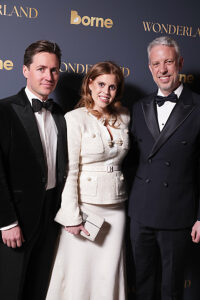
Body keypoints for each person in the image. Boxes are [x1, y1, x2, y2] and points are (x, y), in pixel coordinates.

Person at [46, 61, 130, 300]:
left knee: (109, 271)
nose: (106, 91)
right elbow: (70, 172)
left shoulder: (124, 116)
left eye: (112, 87)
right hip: (85, 208)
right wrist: (71, 217)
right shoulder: (74, 119)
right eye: (101, 84)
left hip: (116, 206)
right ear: (90, 84)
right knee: (79, 273)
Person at [128, 35, 200, 300]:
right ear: (149, 67)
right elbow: (130, 159)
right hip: (140, 211)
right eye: (156, 64)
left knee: (171, 287)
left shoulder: (198, 107)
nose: (163, 69)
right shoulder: (139, 107)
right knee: (142, 283)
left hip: (178, 213)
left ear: (179, 63)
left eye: (168, 62)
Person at [0, 40, 67, 300]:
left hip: (50, 217)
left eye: (54, 70)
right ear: (25, 70)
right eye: (41, 69)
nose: (48, 76)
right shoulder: (4, 110)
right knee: (10, 289)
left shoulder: (61, 114)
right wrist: (7, 222)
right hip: (16, 219)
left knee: (38, 289)